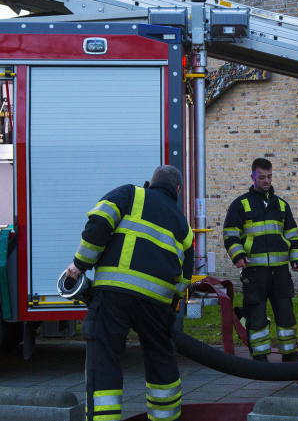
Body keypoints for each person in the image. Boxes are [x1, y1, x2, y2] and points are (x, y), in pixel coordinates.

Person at [66, 165, 193, 421]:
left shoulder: (130, 194)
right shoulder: (184, 226)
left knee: (105, 362)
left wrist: (80, 265)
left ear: (151, 182)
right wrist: (171, 307)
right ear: (177, 190)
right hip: (156, 305)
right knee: (161, 363)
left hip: (114, 296)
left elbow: (99, 222)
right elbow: (184, 279)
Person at [223, 158, 298, 362]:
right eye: (262, 177)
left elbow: (292, 235)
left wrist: (296, 259)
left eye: (269, 177)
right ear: (253, 177)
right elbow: (230, 234)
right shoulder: (241, 204)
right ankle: (260, 356)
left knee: (285, 311)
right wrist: (238, 255)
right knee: (256, 312)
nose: (266, 181)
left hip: (280, 271)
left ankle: (289, 353)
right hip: (255, 270)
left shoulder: (282, 205)